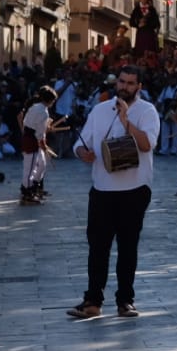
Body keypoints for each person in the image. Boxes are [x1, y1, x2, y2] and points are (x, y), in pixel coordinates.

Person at [68, 65, 160, 320]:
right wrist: (82, 153)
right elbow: (80, 143)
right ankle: (92, 301)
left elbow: (147, 144)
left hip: (134, 190)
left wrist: (126, 121)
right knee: (98, 247)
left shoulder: (147, 111)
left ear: (139, 87)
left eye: (130, 83)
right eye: (122, 81)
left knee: (128, 247)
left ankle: (125, 301)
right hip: (102, 189)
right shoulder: (99, 110)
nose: (124, 87)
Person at [19, 85, 64, 206]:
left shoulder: (34, 107)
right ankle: (27, 194)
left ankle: (31, 189)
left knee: (37, 166)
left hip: (29, 137)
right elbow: (40, 132)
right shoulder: (43, 112)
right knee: (30, 168)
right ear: (50, 100)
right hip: (32, 140)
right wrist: (42, 142)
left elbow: (26, 122)